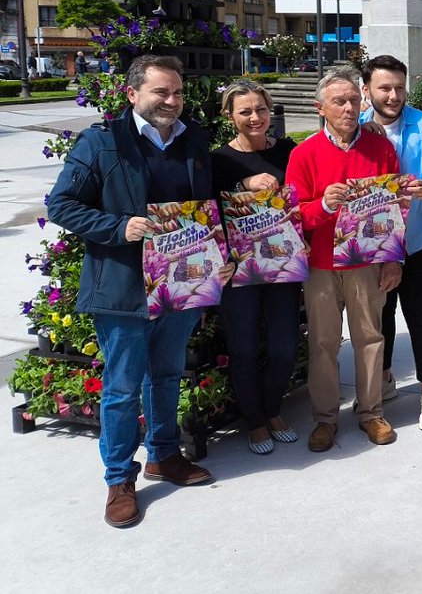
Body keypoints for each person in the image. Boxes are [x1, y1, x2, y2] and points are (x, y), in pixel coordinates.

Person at [47, 54, 233, 528]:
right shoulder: (102, 142)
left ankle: (164, 456)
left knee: (167, 375)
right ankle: (118, 479)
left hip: (180, 284)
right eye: (161, 92)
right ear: (133, 94)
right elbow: (61, 205)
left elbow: (205, 207)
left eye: (177, 93)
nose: (171, 101)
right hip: (124, 288)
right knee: (122, 387)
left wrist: (219, 257)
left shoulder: (193, 139)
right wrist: (117, 227)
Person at [285, 67, 403, 452]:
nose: (349, 107)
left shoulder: (381, 148)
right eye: (339, 101)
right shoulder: (303, 154)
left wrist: (392, 259)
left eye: (354, 99)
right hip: (320, 264)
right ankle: (325, 418)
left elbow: (393, 210)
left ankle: (370, 411)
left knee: (370, 337)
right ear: (321, 107)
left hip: (366, 262)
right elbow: (292, 216)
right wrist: (322, 205)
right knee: (323, 343)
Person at [360, 55, 422, 431]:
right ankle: (383, 379)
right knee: (377, 317)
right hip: (371, 242)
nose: (393, 95)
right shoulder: (358, 126)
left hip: (415, 238)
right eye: (385, 88)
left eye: (399, 87)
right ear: (367, 89)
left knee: (420, 314)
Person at [211, 80, 302, 454]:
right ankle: (255, 423)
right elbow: (207, 211)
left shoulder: (287, 150)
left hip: (282, 264)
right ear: (229, 115)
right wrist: (243, 183)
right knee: (244, 348)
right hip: (237, 270)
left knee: (284, 346)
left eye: (261, 109)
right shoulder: (219, 159)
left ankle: (274, 410)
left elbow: (302, 197)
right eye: (245, 111)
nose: (255, 117)